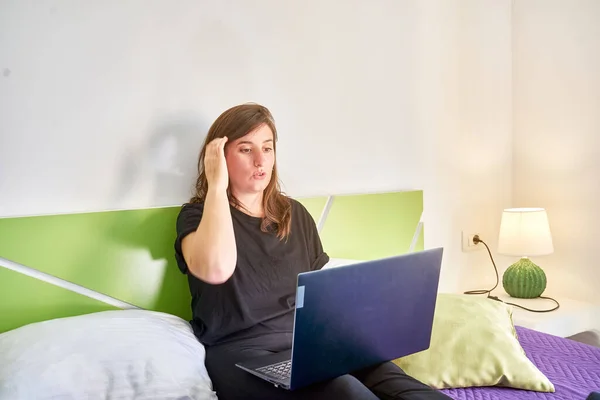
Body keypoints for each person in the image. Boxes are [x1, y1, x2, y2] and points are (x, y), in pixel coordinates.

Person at [174, 103, 451, 400]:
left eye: (267, 148)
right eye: (245, 149)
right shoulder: (196, 216)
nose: (260, 161)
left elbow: (318, 297)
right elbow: (215, 269)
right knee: (346, 390)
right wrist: (216, 185)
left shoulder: (294, 214)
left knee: (400, 383)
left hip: (310, 347)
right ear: (219, 156)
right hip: (243, 354)